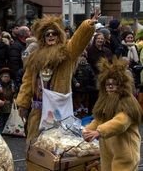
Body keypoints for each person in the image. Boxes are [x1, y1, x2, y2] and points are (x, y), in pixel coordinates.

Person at [16, 9, 101, 147]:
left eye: (54, 33)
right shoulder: (35, 57)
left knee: (56, 144)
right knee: (35, 144)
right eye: (47, 34)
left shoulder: (67, 53)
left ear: (59, 35)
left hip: (58, 109)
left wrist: (88, 24)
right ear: (42, 37)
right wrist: (23, 103)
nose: (50, 36)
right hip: (38, 108)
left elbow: (78, 41)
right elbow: (27, 82)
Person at [82, 57, 143, 171]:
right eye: (107, 84)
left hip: (125, 153)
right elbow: (99, 119)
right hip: (108, 151)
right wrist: (88, 130)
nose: (110, 87)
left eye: (114, 84)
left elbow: (120, 122)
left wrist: (99, 131)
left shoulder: (127, 102)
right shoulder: (105, 100)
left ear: (121, 86)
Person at [0, 67, 16, 132]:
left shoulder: (12, 85)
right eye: (5, 76)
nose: (6, 78)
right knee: (1, 121)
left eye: (8, 76)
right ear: (1, 77)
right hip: (1, 107)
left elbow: (15, 94)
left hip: (9, 106)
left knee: (8, 121)